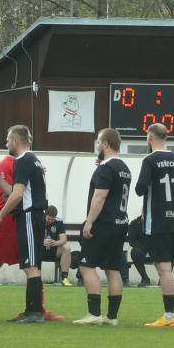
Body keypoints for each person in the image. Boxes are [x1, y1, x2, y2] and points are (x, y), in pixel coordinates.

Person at [136, 122, 174, 327]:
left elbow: (140, 189)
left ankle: (169, 316)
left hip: (156, 222)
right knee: (164, 267)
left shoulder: (149, 160)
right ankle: (172, 312)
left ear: (149, 136)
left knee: (163, 269)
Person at [0, 125, 49, 324]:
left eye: (8, 139)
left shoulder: (23, 161)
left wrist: (0, 217)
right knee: (31, 265)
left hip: (30, 216)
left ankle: (35, 313)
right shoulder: (34, 160)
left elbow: (17, 195)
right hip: (33, 216)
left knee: (31, 266)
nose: (6, 143)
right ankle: (30, 310)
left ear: (15, 141)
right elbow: (17, 190)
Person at [73, 128, 131, 326]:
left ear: (105, 144)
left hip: (103, 223)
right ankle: (112, 317)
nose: (97, 145)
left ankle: (94, 313)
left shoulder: (105, 168)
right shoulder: (124, 167)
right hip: (120, 223)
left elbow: (100, 196)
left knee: (86, 265)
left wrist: (89, 222)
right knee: (113, 269)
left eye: (98, 142)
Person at [43, 205, 72, 286]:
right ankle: (34, 279)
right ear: (45, 215)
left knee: (66, 247)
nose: (51, 221)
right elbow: (32, 237)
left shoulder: (58, 222)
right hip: (40, 250)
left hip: (54, 251)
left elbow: (64, 239)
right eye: (49, 219)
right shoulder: (38, 220)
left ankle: (64, 279)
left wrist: (56, 242)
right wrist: (42, 241)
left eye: (53, 219)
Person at [126, 215, 152, 287]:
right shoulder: (134, 223)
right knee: (135, 252)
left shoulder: (160, 222)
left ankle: (163, 279)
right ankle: (145, 278)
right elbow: (132, 241)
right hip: (141, 251)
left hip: (157, 251)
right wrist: (144, 249)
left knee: (170, 252)